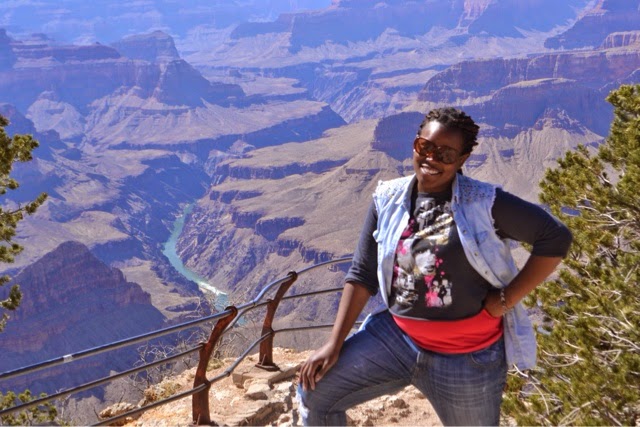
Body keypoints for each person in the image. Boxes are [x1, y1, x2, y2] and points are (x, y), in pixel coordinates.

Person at [297, 107, 573, 426]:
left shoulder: (483, 202)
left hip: (466, 357)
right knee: (316, 393)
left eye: (445, 154)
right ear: (415, 144)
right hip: (397, 339)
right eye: (425, 146)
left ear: (462, 159)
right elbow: (361, 275)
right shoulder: (386, 199)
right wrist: (334, 344)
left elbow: (555, 237)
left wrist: (503, 301)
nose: (431, 158)